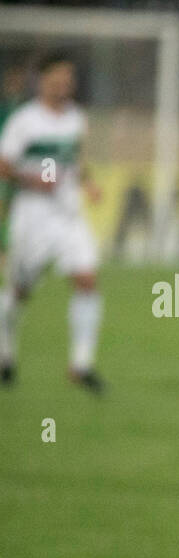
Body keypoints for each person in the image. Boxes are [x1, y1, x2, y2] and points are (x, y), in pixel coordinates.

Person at [0, 54, 106, 392]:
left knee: (87, 279)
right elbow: (4, 165)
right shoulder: (25, 121)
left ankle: (81, 364)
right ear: (42, 80)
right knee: (19, 291)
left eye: (68, 78)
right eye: (57, 78)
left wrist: (88, 184)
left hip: (68, 215)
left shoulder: (76, 118)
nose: (64, 84)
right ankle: (4, 353)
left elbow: (75, 159)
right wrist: (33, 179)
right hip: (32, 216)